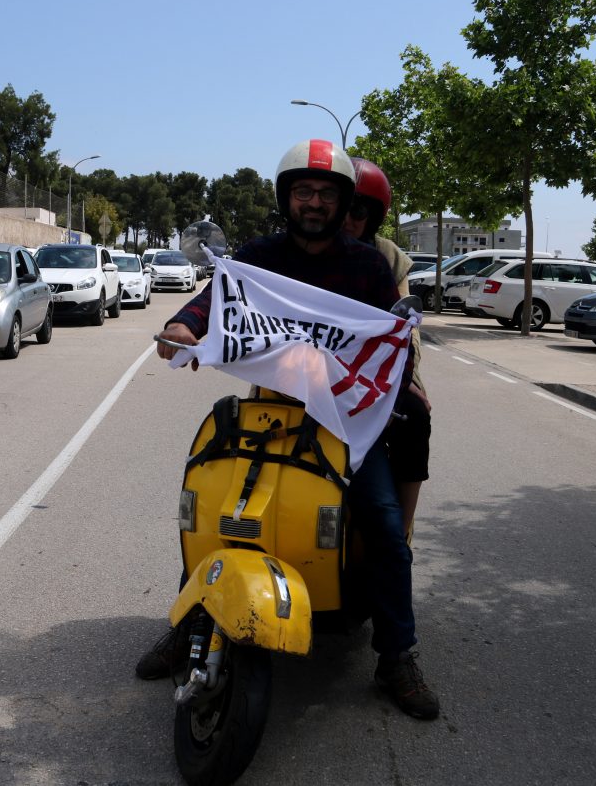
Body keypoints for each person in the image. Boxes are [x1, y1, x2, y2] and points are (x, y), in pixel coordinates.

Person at [140, 139, 439, 721]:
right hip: (271, 409)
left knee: (380, 518)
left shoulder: (368, 266)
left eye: (327, 194)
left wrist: (401, 376)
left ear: (342, 201)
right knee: (217, 505)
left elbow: (388, 342)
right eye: (304, 191)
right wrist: (181, 324)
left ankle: (396, 654)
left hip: (347, 420)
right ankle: (188, 621)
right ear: (286, 197)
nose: (314, 203)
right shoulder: (259, 256)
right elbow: (214, 301)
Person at [343, 158, 431, 537]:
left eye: (358, 211)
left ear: (375, 216)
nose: (346, 219)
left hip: (374, 369)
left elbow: (406, 327)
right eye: (338, 206)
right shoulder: (300, 248)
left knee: (415, 413)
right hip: (305, 367)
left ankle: (403, 530)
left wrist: (401, 375)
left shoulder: (389, 257)